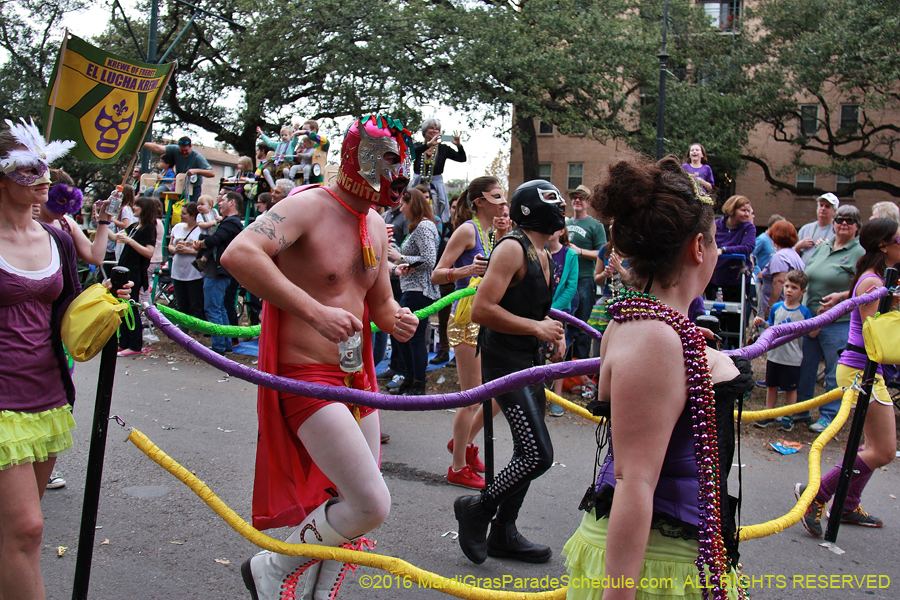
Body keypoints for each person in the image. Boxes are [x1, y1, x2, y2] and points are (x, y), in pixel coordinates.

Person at [221, 115, 418, 600]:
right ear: (362, 159)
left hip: (357, 377)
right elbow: (239, 254)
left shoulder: (375, 222)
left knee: (347, 498)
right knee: (371, 503)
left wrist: (397, 319)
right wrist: (314, 312)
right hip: (306, 377)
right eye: (390, 159)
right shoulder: (305, 207)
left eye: (404, 160)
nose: (401, 172)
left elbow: (380, 302)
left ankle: (317, 594)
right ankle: (270, 568)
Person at [562, 155, 753, 600]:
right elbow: (634, 479)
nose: (720, 251)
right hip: (654, 567)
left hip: (675, 554)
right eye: (716, 241)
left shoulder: (655, 327)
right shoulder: (654, 337)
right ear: (699, 247)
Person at [454, 179, 567, 566]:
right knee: (538, 455)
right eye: (555, 203)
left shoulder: (543, 252)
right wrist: (537, 328)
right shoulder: (512, 249)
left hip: (530, 362)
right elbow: (483, 308)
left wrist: (552, 330)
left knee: (526, 450)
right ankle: (478, 509)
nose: (562, 210)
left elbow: (534, 308)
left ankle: (504, 531)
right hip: (506, 364)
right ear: (532, 209)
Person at [796, 218, 899, 535]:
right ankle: (815, 495)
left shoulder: (880, 278)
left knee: (868, 444)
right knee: (883, 450)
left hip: (867, 367)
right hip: (860, 368)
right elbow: (875, 334)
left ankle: (850, 503)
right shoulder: (872, 282)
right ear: (884, 244)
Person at [432, 176, 507, 490]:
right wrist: (466, 271)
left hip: (488, 318)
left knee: (500, 393)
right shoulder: (467, 229)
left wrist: (503, 236)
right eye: (496, 196)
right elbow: (437, 274)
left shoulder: (492, 233)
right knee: (471, 398)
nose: (503, 202)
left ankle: (464, 443)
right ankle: (458, 466)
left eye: (504, 197)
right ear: (479, 201)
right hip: (465, 319)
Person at [799, 204, 865, 432]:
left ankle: (829, 416)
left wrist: (841, 296)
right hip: (812, 319)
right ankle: (801, 410)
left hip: (839, 322)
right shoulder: (823, 246)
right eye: (840, 220)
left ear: (857, 226)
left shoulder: (860, 253)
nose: (843, 223)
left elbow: (864, 288)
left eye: (849, 220)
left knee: (834, 371)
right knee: (805, 367)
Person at [386, 188, 440, 395]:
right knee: (407, 337)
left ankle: (418, 383)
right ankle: (410, 379)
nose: (401, 209)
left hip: (419, 290)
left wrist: (399, 257)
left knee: (414, 338)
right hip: (411, 287)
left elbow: (429, 259)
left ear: (412, 203)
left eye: (403, 204)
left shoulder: (424, 226)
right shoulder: (419, 226)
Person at [753, 270, 814, 431]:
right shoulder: (777, 307)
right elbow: (771, 326)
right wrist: (761, 323)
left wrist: (820, 320)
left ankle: (788, 415)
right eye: (786, 286)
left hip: (792, 358)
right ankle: (769, 414)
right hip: (774, 356)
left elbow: (812, 333)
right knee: (771, 385)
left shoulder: (804, 312)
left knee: (791, 388)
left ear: (803, 291)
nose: (788, 290)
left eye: (794, 287)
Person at [198, 191, 244, 355]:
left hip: (218, 272)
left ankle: (218, 347)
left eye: (222, 200)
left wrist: (199, 243)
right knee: (221, 308)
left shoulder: (231, 223)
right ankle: (225, 344)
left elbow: (214, 240)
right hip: (222, 271)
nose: (219, 202)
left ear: (232, 202)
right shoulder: (230, 222)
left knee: (213, 308)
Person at [35, 169, 110, 266]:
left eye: (72, 202)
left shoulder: (67, 223)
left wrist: (103, 219)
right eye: (61, 200)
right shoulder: (22, 223)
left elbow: (95, 257)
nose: (67, 208)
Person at [566, 184, 607, 359]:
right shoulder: (565, 223)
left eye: (581, 198)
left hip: (584, 280)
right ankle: (563, 371)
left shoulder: (595, 225)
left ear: (588, 202)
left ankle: (580, 372)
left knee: (583, 326)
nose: (577, 200)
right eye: (575, 197)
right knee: (565, 324)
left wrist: (579, 251)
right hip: (566, 280)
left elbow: (602, 253)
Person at [115, 196, 158, 356]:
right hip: (124, 269)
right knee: (123, 307)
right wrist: (103, 222)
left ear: (144, 208)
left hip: (135, 272)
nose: (134, 208)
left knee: (131, 308)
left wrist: (130, 241)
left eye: (137, 206)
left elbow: (149, 252)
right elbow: (116, 237)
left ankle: (134, 345)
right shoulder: (134, 226)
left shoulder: (149, 228)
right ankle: (124, 341)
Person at [411, 118, 466, 226]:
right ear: (425, 131)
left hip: (435, 187)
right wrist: (427, 145)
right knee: (413, 204)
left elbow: (462, 158)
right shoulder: (418, 146)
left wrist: (458, 145)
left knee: (436, 208)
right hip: (417, 185)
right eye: (431, 128)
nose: (434, 131)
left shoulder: (443, 148)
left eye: (437, 129)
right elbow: (410, 154)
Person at [548, 226, 579, 416]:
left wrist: (551, 309)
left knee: (558, 354)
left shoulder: (571, 255)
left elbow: (570, 288)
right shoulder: (538, 251)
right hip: (538, 311)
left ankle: (556, 399)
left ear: (561, 232)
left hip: (560, 313)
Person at [707, 194, 755, 302]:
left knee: (734, 315)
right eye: (743, 210)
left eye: (748, 211)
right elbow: (707, 243)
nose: (747, 214)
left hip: (737, 278)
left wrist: (724, 250)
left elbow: (748, 247)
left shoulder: (748, 227)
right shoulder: (716, 225)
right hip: (715, 275)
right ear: (732, 209)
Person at [756, 220, 805, 322]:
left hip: (779, 313)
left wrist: (770, 308)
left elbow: (779, 282)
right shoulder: (796, 256)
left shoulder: (780, 257)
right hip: (792, 309)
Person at [143, 137, 215, 202]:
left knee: (191, 209)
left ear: (191, 147)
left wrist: (196, 170)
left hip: (193, 188)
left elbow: (211, 173)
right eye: (181, 150)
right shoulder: (175, 150)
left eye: (186, 150)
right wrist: (142, 143)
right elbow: (158, 148)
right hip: (180, 186)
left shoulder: (197, 157)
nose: (184, 152)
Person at [167, 202, 205, 320]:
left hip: (193, 272)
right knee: (180, 300)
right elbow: (170, 245)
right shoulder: (177, 227)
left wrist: (189, 251)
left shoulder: (200, 230)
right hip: (178, 269)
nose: (181, 215)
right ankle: (182, 326)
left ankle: (195, 327)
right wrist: (175, 249)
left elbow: (205, 250)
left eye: (184, 213)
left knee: (195, 301)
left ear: (193, 215)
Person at [795, 192, 838, 264]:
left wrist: (827, 246)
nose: (823, 208)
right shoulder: (805, 229)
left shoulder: (837, 231)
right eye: (821, 205)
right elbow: (793, 256)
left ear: (834, 211)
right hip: (803, 272)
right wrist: (798, 246)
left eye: (827, 206)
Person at [752, 213, 785, 282]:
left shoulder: (774, 240)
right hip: (761, 281)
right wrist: (757, 272)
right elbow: (750, 255)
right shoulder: (762, 239)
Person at [106, 184, 134, 262]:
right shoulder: (121, 208)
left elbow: (126, 225)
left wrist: (112, 220)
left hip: (123, 239)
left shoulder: (125, 209)